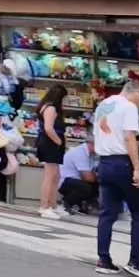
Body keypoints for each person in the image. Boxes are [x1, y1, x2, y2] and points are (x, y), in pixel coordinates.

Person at [93, 78, 139, 277]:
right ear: (137, 93)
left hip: (104, 163)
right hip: (122, 163)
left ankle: (104, 259)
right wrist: (137, 168)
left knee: (107, 214)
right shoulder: (129, 107)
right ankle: (136, 261)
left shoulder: (103, 104)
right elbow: (129, 138)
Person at [36, 84, 69, 219]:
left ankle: (53, 204)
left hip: (51, 143)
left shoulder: (47, 106)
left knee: (55, 176)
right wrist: (59, 141)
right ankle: (45, 206)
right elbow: (49, 128)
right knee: (50, 176)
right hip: (51, 144)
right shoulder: (50, 108)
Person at [58, 141, 99, 214]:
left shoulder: (91, 155)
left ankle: (81, 204)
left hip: (76, 180)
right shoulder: (80, 153)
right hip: (65, 181)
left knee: (97, 184)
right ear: (93, 145)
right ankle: (66, 202)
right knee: (86, 187)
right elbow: (88, 177)